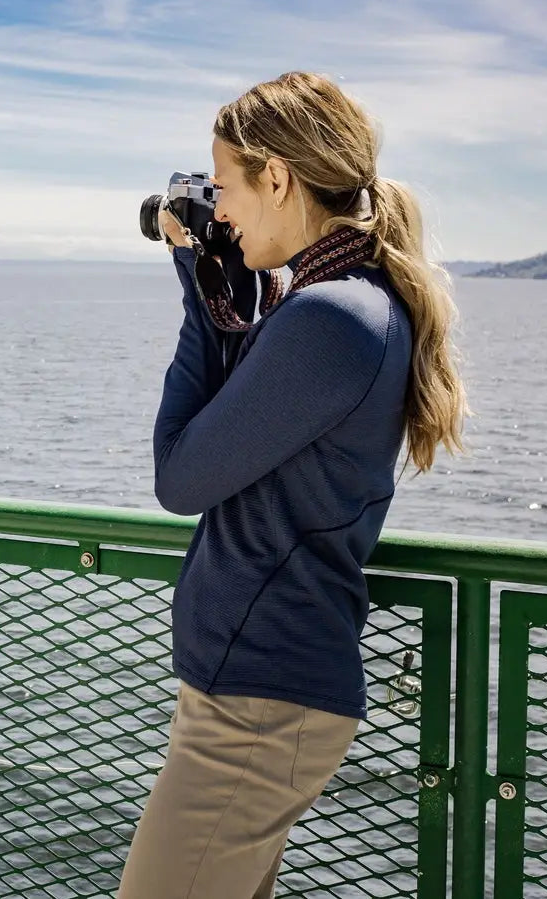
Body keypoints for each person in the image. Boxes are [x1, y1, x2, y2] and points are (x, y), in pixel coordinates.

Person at [117, 71, 467, 898]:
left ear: (276, 177)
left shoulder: (329, 317)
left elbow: (180, 476)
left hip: (257, 706)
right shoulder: (340, 304)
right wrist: (217, 283)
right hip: (256, 691)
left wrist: (197, 289)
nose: (220, 209)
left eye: (225, 186)